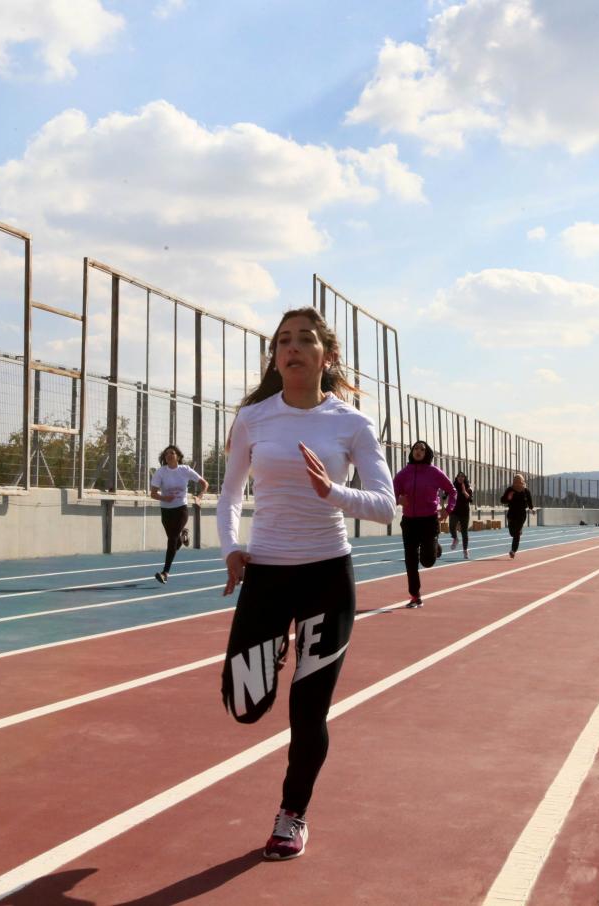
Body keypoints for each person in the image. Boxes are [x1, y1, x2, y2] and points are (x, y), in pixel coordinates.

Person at [216, 306, 395, 861]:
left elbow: (387, 507)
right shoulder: (253, 418)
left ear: (327, 355)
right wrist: (231, 548)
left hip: (326, 577)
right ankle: (273, 652)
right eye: (282, 341)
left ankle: (291, 816)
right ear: (275, 356)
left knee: (307, 710)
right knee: (243, 705)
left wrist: (335, 494)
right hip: (267, 574)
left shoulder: (352, 423)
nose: (291, 348)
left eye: (304, 340)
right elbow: (229, 494)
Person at [393, 441, 456, 608]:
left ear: (427, 453)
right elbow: (390, 492)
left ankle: (434, 547)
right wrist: (398, 499)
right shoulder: (403, 474)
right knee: (410, 559)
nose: (418, 451)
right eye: (416, 448)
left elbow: (452, 491)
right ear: (412, 452)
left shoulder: (434, 472)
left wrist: (448, 510)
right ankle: (415, 595)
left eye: (422, 449)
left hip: (429, 521)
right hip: (409, 522)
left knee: (427, 561)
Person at [150, 444, 209, 584]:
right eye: (166, 454)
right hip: (166, 510)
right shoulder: (161, 472)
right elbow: (152, 494)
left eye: (172, 453)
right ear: (164, 458)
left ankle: (165, 573)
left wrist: (199, 496)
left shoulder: (185, 470)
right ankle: (183, 537)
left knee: (171, 540)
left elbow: (204, 484)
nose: (169, 455)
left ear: (178, 456)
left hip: (181, 509)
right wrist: (164, 498)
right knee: (174, 540)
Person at [501, 473, 535, 558]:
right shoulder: (510, 489)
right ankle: (518, 532)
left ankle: (513, 551)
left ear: (522, 482)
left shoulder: (526, 491)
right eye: (515, 481)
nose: (517, 483)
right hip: (511, 513)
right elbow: (502, 500)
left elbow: (530, 502)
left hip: (521, 514)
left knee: (516, 533)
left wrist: (531, 508)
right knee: (512, 533)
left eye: (519, 481)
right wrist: (508, 498)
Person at [449, 471, 474, 558]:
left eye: (462, 476)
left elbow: (471, 500)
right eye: (459, 476)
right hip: (454, 510)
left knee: (464, 531)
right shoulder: (453, 485)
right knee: (451, 526)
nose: (461, 478)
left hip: (464, 512)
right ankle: (455, 538)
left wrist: (464, 492)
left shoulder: (468, 487)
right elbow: (448, 491)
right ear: (457, 477)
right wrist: (445, 495)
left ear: (464, 478)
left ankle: (465, 550)